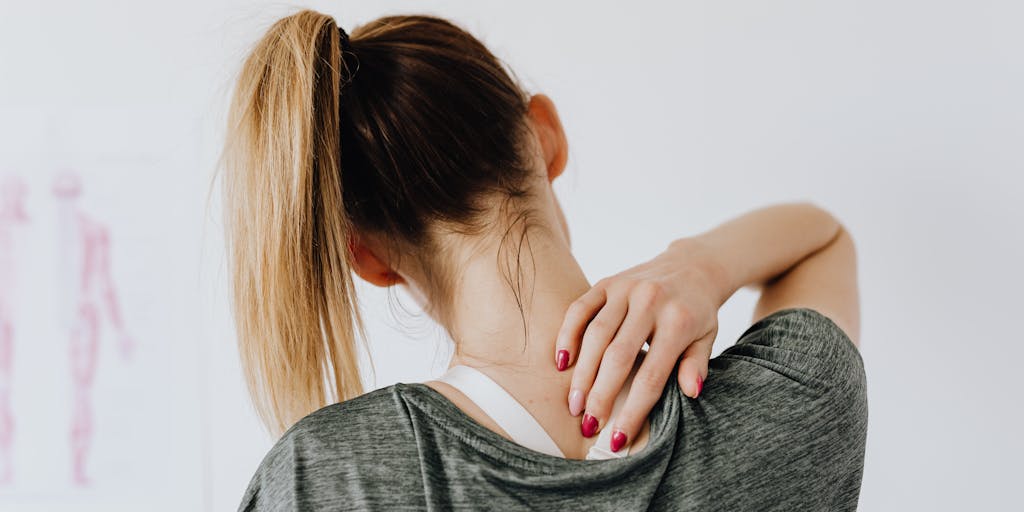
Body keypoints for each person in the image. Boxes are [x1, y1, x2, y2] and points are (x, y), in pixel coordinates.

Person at [222, 9, 867, 511]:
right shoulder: (790, 406)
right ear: (546, 135)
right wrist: (703, 264)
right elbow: (823, 236)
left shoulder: (332, 479)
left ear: (366, 257)